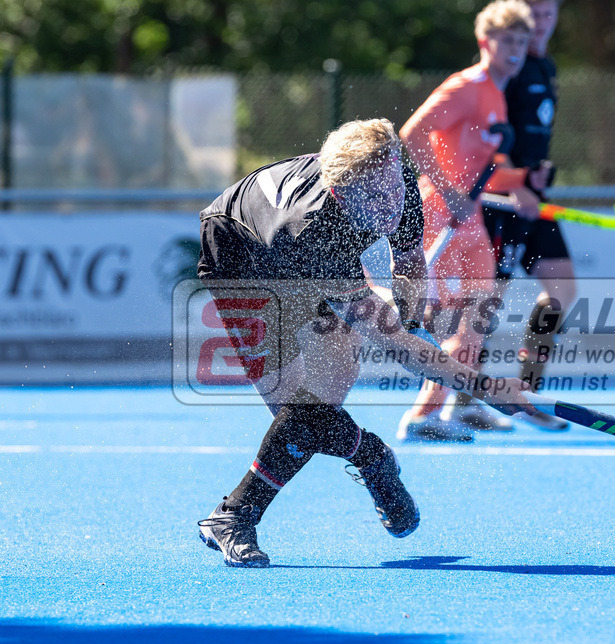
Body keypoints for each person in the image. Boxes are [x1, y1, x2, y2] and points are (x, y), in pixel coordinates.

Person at [195, 118, 536, 567]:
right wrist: (488, 389)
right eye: (375, 198)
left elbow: (409, 258)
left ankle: (256, 505)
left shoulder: (395, 176)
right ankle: (359, 461)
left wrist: (415, 316)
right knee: (302, 411)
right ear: (340, 194)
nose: (390, 203)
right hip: (241, 258)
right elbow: (392, 340)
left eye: (394, 189)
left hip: (306, 254)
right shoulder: (310, 231)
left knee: (331, 387)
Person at [398, 0, 539, 441]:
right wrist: (448, 191)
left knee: (477, 318)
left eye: (521, 41)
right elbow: (411, 135)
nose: (515, 50)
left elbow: (480, 167)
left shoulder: (497, 95)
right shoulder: (465, 86)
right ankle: (422, 416)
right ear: (485, 42)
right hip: (443, 214)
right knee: (449, 320)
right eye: (507, 41)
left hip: (471, 218)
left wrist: (518, 184)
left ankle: (449, 411)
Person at [450, 0, 575, 432]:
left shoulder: (544, 66)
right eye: (534, 12)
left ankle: (527, 393)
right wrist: (514, 181)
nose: (542, 21)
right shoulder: (509, 65)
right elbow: (490, 132)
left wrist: (535, 174)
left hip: (531, 200)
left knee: (562, 288)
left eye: (549, 12)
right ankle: (463, 398)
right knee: (485, 302)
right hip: (499, 200)